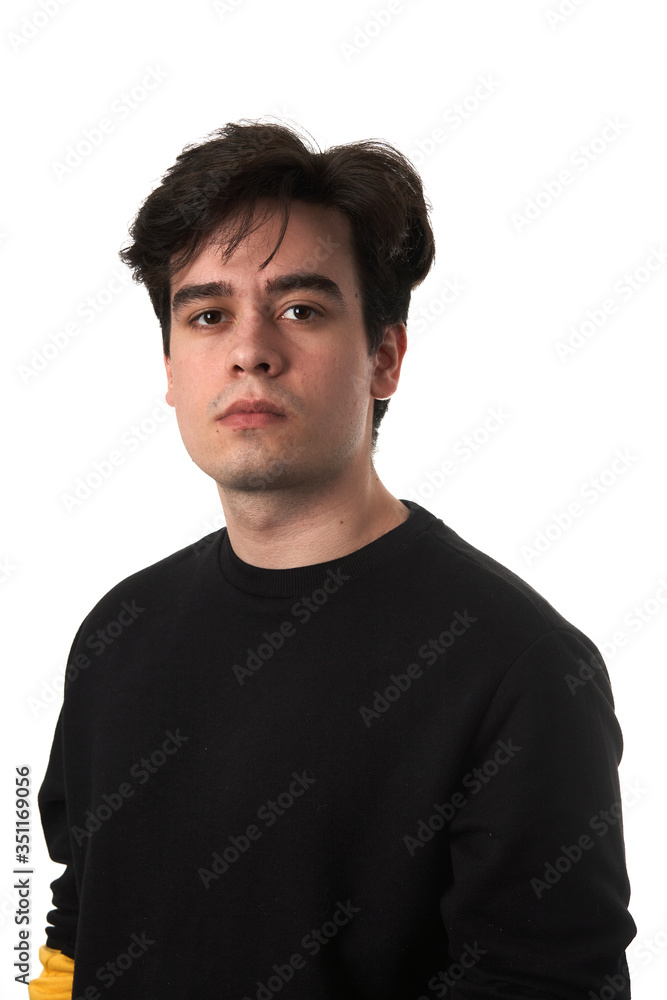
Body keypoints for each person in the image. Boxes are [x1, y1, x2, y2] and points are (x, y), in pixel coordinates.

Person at [29, 120, 636, 1000]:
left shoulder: (518, 668)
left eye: (299, 310)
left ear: (383, 358)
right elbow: (77, 927)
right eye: (207, 315)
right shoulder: (118, 632)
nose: (249, 350)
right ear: (170, 368)